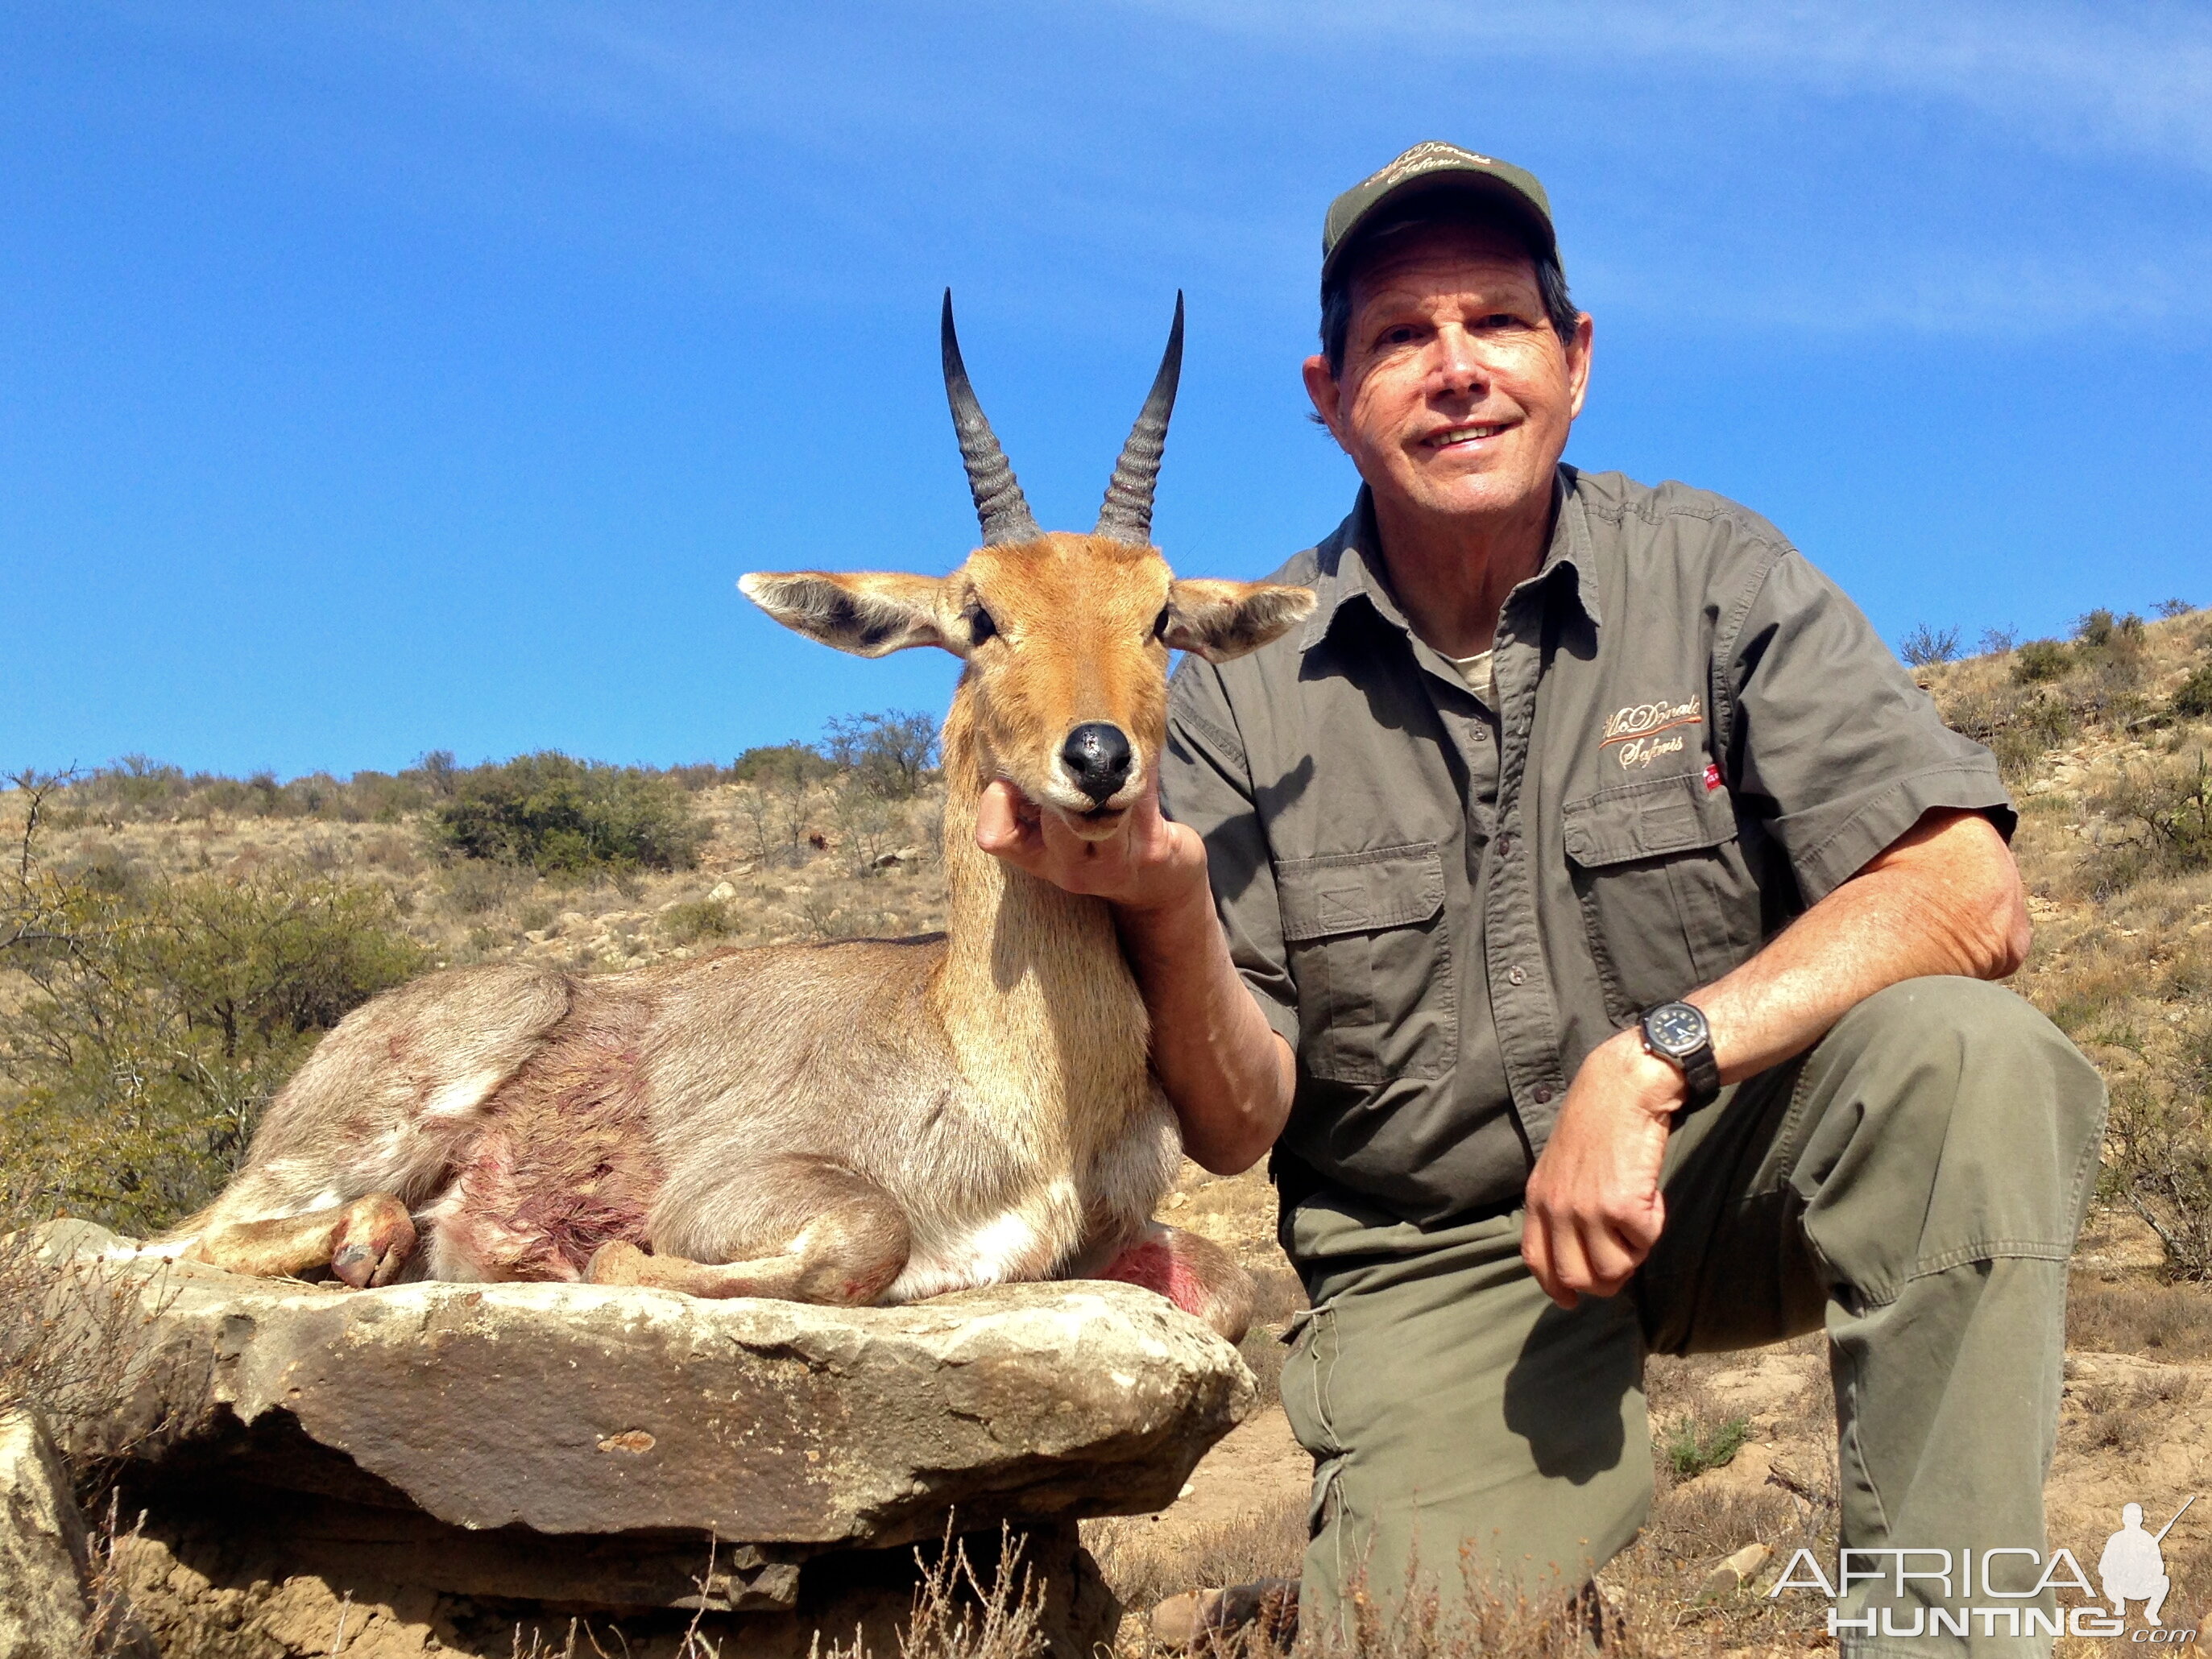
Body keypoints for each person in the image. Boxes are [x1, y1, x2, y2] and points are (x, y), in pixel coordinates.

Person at [977, 141, 2107, 1651]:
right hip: (1432, 1262)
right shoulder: (1239, 694)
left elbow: (1968, 891)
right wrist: (1171, 897)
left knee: (1975, 1064)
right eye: (1399, 338)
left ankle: (1949, 1634)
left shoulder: (1711, 573)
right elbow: (1242, 1125)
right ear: (1329, 397)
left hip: (1711, 1170)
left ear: (1572, 362)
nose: (1454, 371)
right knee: (1419, 1633)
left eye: (1496, 323)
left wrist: (1655, 1063)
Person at [2099, 1504, 2173, 1625]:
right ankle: (2119, 1602)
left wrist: (2144, 1572)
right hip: (2120, 1587)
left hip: (2141, 1587)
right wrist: (2120, 1572)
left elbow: (2159, 1567)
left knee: (2164, 1581)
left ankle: (2151, 1613)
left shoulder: (2147, 1539)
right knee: (2107, 1579)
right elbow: (2103, 1568)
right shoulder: (2116, 1539)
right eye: (2131, 1518)